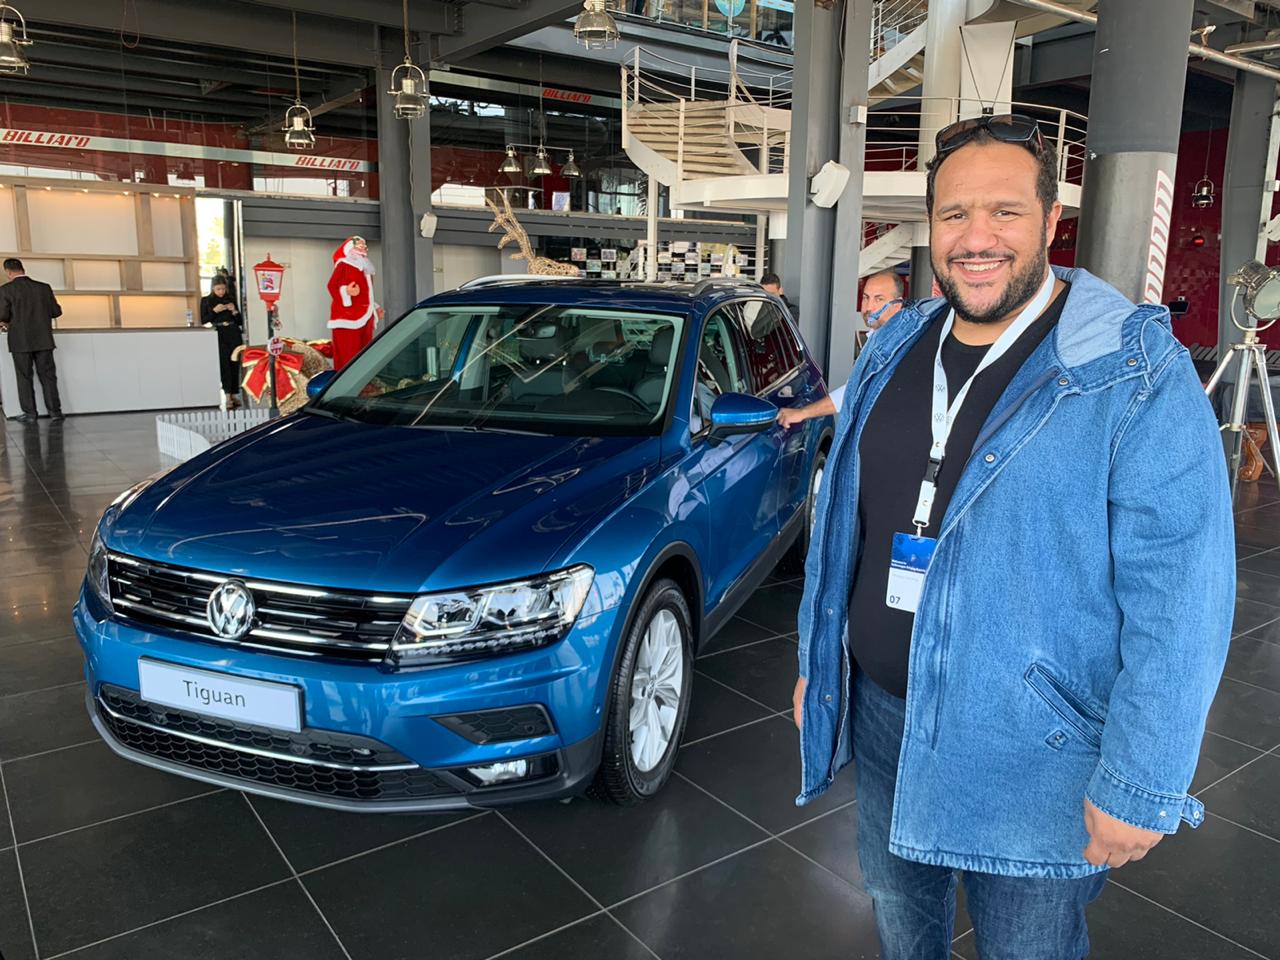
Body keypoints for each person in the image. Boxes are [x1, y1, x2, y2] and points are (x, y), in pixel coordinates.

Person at [793, 114, 1233, 959]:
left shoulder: (1131, 373)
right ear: (931, 225)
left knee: (1026, 947)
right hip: (886, 716)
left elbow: (1184, 596)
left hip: (1034, 753)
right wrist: (820, 666)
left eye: (1005, 212)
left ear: (1051, 219)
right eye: (955, 214)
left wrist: (1142, 777)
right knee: (898, 916)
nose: (976, 238)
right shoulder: (897, 344)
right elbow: (850, 528)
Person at [776, 270, 904, 427]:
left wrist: (803, 413)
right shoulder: (877, 336)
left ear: (897, 305)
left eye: (879, 299)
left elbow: (855, 392)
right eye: (866, 297)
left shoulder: (897, 345)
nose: (869, 307)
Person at [0, 258, 64, 423]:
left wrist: (6, 322)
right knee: (48, 376)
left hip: (20, 341)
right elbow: (56, 312)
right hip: (43, 339)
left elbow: (3, 315)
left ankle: (30, 414)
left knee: (24, 377)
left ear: (8, 272)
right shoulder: (44, 287)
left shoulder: (5, 290)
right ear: (23, 269)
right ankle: (55, 412)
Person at [327, 236, 384, 370]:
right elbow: (332, 285)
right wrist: (346, 291)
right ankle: (346, 382)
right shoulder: (344, 264)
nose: (363, 247)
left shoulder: (365, 267)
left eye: (364, 245)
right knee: (348, 357)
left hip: (365, 317)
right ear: (350, 248)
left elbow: (366, 294)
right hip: (348, 318)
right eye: (359, 245)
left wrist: (374, 309)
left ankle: (364, 381)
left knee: (365, 356)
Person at [201, 278, 243, 410]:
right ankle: (227, 395)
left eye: (223, 289)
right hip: (219, 333)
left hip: (233, 332)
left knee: (235, 363)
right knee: (224, 364)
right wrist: (214, 311)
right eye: (218, 289)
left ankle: (235, 394)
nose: (221, 292)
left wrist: (234, 311)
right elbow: (204, 320)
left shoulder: (230, 299)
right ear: (213, 288)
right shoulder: (206, 300)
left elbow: (240, 321)